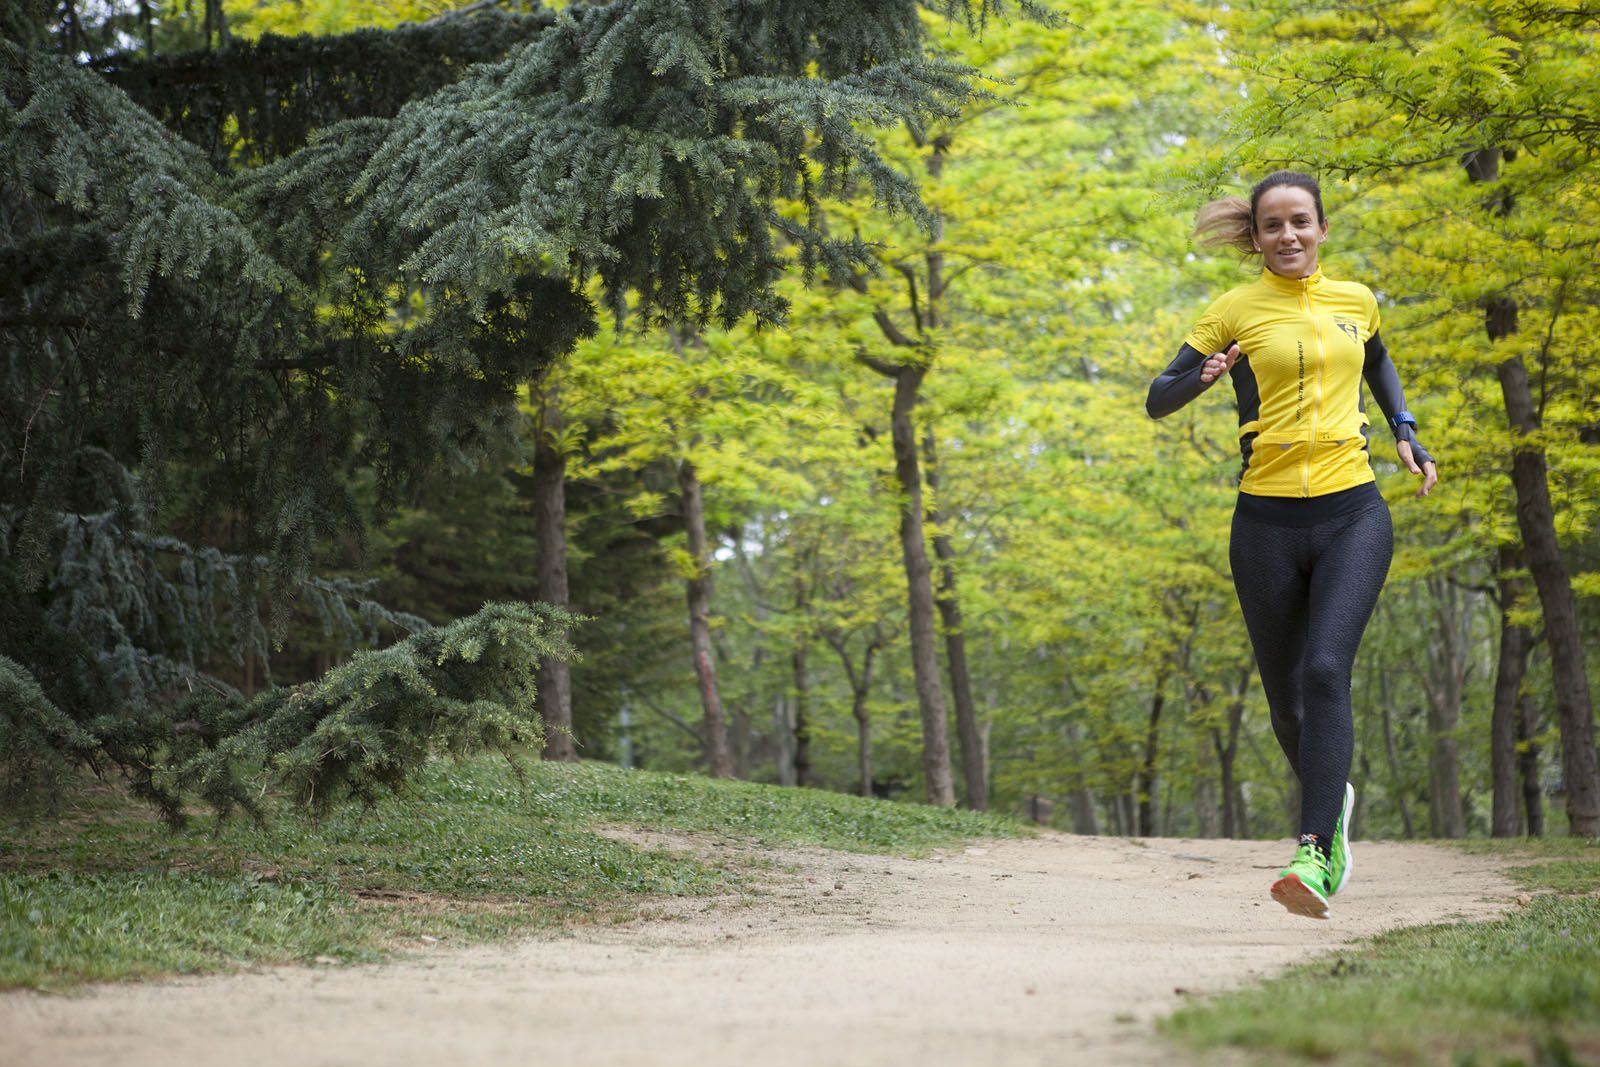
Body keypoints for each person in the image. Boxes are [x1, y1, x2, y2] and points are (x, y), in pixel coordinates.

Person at [1145, 171, 1437, 919]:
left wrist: (1403, 428)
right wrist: (1201, 377)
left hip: (1353, 512)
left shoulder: (1357, 301)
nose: (1288, 236)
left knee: (1326, 667)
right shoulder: (1234, 311)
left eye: (1300, 221)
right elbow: (1158, 397)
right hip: (1266, 524)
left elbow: (1375, 360)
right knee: (1286, 710)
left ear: (1322, 228)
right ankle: (1328, 791)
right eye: (1272, 225)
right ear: (1256, 237)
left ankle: (1313, 849)